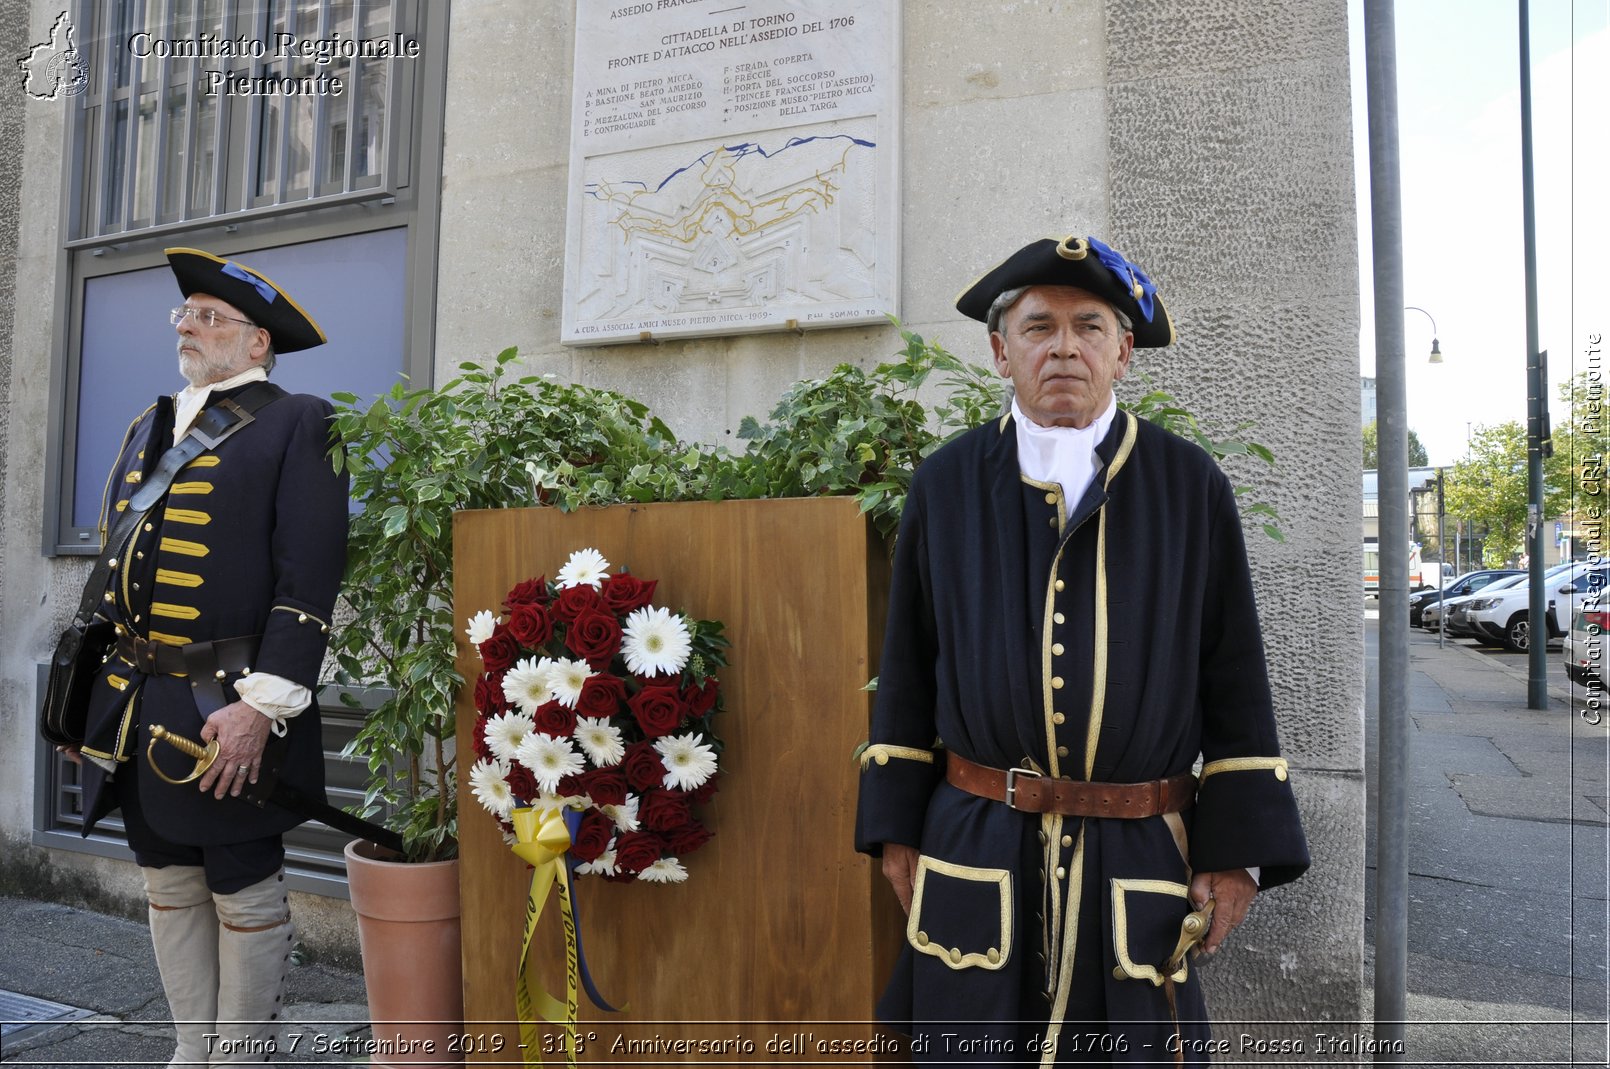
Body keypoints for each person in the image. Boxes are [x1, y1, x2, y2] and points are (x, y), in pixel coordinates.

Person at [855, 233, 1309, 1064]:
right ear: (1000, 350)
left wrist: (1235, 852)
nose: (1064, 346)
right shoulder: (946, 484)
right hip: (976, 847)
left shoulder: (1189, 485)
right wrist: (895, 827)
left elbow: (1235, 674)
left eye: (1090, 326)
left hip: (1134, 854)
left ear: (1124, 351)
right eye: (1038, 327)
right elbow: (910, 666)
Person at [63, 248, 349, 1066]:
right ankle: (192, 1050)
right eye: (183, 314)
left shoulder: (301, 419)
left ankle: (240, 1054)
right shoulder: (147, 424)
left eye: (209, 316)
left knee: (241, 873)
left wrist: (262, 705)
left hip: (226, 698)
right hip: (136, 695)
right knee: (162, 868)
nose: (187, 325)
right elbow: (113, 571)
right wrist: (83, 700)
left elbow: (308, 580)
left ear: (258, 342)